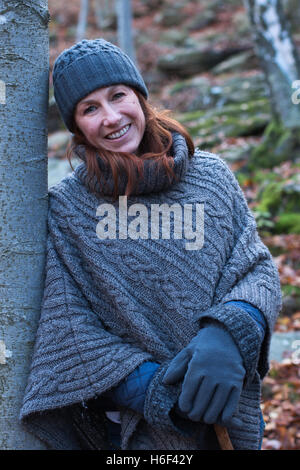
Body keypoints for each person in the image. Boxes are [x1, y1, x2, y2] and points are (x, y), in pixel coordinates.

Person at [19, 38, 282, 451]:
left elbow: (255, 268)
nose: (110, 117)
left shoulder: (210, 176)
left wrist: (232, 333)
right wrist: (153, 391)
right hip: (133, 432)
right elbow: (68, 325)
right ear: (76, 127)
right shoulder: (68, 210)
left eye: (117, 96)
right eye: (90, 109)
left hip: (227, 411)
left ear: (139, 97)